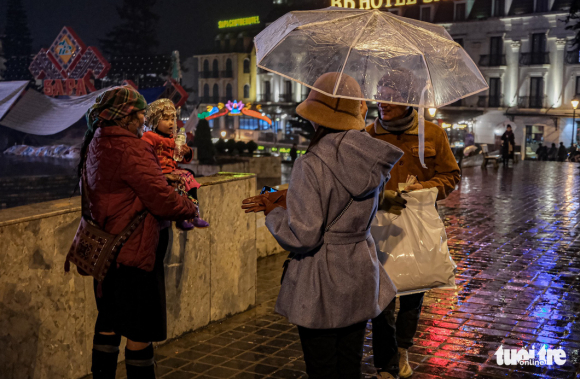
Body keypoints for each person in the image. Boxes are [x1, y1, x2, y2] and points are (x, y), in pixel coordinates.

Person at [245, 73, 403, 379]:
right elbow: (347, 202)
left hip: (322, 284)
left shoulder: (311, 163)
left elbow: (303, 235)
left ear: (316, 117)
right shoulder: (371, 157)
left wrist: (272, 212)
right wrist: (290, 196)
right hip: (360, 273)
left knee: (322, 369)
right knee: (349, 366)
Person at [80, 87, 199, 379]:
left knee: (108, 320)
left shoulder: (96, 141)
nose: (143, 118)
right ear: (128, 116)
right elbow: (159, 198)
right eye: (140, 113)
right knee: (138, 329)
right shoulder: (132, 147)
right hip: (134, 252)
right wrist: (189, 206)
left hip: (104, 249)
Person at [366, 73, 461, 379]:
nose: (382, 102)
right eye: (380, 95)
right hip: (380, 224)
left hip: (418, 224)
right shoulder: (367, 135)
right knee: (381, 297)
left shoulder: (431, 134)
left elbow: (451, 176)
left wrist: (423, 188)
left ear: (407, 100)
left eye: (390, 95)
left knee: (413, 293)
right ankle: (386, 363)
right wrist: (383, 195)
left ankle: (402, 348)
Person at [142, 99, 209, 230]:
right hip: (160, 173)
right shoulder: (148, 137)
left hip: (173, 170)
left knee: (190, 177)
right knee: (178, 189)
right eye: (166, 119)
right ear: (155, 120)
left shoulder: (173, 137)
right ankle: (181, 217)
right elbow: (145, 159)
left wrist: (186, 152)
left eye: (172, 119)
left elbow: (179, 159)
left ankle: (194, 214)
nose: (170, 123)